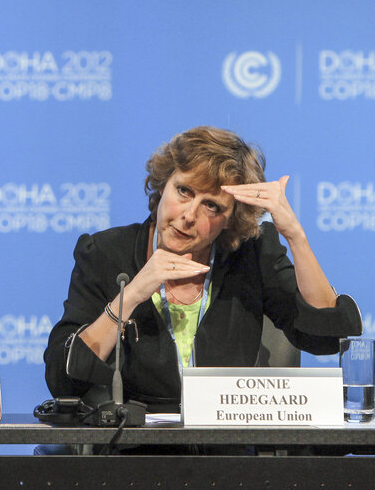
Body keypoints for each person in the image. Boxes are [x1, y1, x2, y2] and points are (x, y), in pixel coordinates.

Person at [44, 126, 362, 414]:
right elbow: (62, 378)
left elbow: (326, 337)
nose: (189, 215)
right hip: (135, 450)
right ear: (163, 185)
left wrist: (295, 235)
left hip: (229, 451)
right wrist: (131, 296)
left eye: (212, 205)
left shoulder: (250, 253)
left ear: (231, 219)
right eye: (184, 191)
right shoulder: (105, 254)